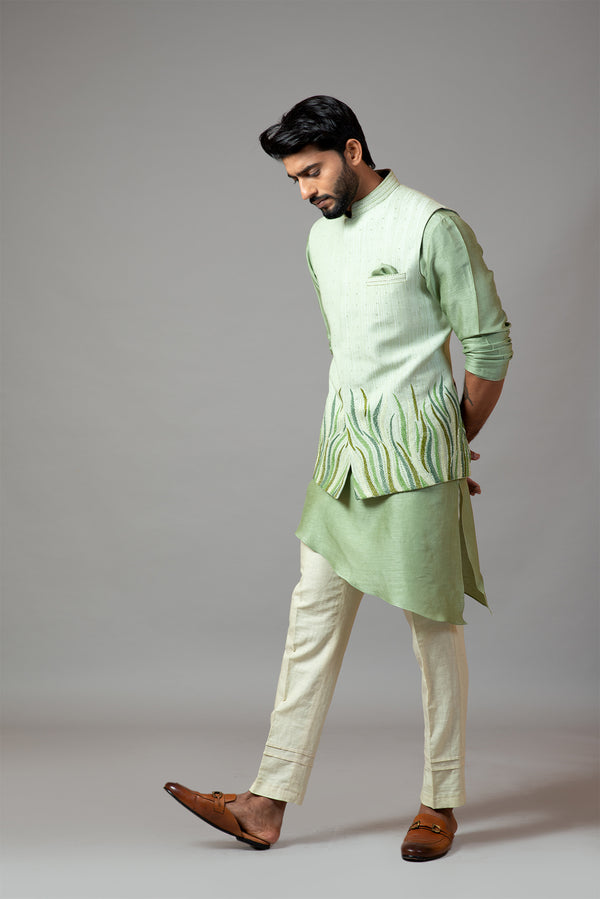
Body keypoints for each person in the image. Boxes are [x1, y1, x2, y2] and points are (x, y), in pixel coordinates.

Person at [164, 95, 513, 861]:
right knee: (311, 620)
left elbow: (489, 346)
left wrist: (451, 447)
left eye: (313, 171)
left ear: (353, 151)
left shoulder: (431, 225)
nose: (304, 191)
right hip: (341, 460)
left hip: (417, 464)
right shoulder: (322, 240)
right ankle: (265, 802)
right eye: (293, 178)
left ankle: (439, 801)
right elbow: (348, 351)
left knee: (434, 631)